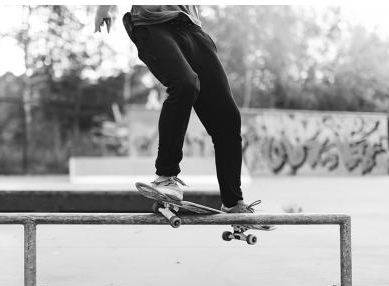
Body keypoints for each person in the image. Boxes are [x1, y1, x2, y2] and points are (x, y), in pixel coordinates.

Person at [95, 5, 273, 225]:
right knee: (185, 84)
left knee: (227, 117)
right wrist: (103, 8)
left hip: (193, 29)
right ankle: (166, 178)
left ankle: (232, 202)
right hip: (153, 24)